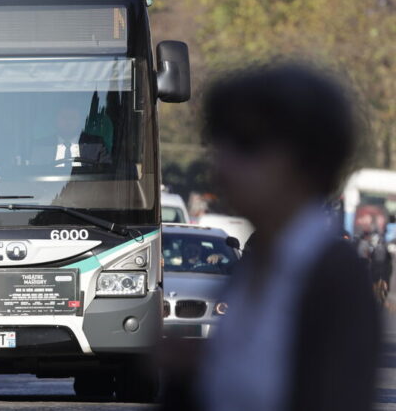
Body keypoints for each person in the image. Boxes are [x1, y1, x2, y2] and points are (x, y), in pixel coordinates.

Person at [161, 63, 381, 411]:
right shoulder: (254, 262)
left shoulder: (333, 274)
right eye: (219, 144)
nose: (222, 165)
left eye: (246, 145)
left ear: (305, 160)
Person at [30, 107, 111, 167]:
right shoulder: (41, 146)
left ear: (80, 122)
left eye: (72, 118)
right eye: (64, 118)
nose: (68, 122)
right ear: (55, 121)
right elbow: (34, 173)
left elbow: (106, 172)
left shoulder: (96, 145)